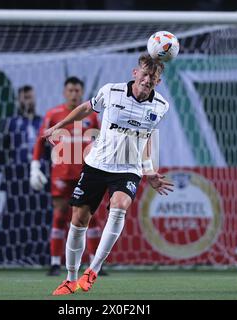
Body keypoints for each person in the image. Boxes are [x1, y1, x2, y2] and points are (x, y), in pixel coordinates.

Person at [43, 54, 175, 295]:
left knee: (119, 205)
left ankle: (93, 270)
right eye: (144, 74)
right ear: (135, 73)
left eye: (153, 77)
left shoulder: (161, 106)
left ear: (158, 81)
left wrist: (150, 171)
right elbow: (85, 109)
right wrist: (57, 126)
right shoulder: (111, 91)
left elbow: (145, 140)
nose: (147, 80)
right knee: (79, 220)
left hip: (127, 168)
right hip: (97, 164)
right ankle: (71, 278)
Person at [31, 77, 106, 276]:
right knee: (60, 216)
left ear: (82, 93)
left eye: (77, 90)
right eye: (70, 90)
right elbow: (40, 141)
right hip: (61, 174)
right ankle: (55, 263)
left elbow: (99, 141)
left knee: (91, 217)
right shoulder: (53, 114)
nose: (74, 94)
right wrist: (35, 166)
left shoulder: (91, 117)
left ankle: (94, 264)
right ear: (65, 92)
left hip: (87, 173)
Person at [1, 85, 43, 164]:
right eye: (25, 97)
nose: (28, 101)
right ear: (19, 100)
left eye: (30, 97)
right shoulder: (11, 123)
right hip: (19, 172)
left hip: (40, 169)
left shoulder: (42, 122)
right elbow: (3, 151)